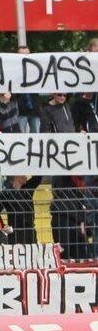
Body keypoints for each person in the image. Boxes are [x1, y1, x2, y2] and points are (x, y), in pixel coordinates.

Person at [41, 93, 91, 260]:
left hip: (72, 153)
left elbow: (76, 124)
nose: (62, 97)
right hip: (59, 157)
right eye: (59, 94)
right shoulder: (47, 110)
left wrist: (79, 133)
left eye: (65, 94)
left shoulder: (70, 107)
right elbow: (45, 132)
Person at [16, 46, 41, 133]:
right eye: (22, 55)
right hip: (20, 111)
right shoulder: (13, 70)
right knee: (21, 137)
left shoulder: (36, 69)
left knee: (36, 137)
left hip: (34, 110)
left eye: (27, 55)